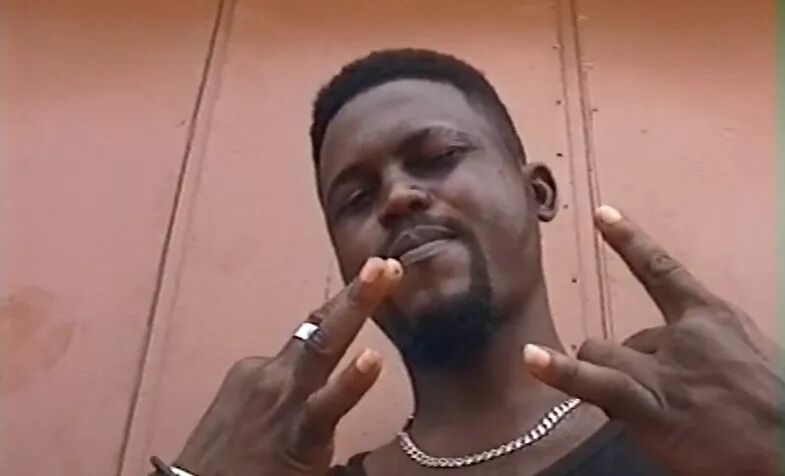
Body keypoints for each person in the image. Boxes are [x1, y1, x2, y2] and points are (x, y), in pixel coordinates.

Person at [152, 49, 782, 476]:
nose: (397, 198)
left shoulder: (712, 444)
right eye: (356, 199)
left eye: (437, 156)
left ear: (538, 193)